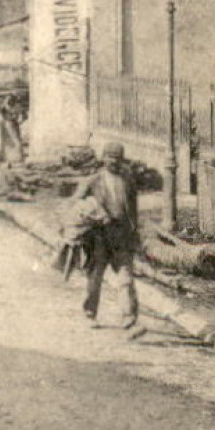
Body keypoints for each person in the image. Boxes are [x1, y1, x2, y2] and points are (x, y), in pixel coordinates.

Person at [76, 142, 145, 340]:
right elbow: (77, 204)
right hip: (98, 238)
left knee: (125, 278)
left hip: (121, 237)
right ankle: (90, 313)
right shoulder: (93, 181)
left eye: (117, 158)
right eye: (110, 157)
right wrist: (92, 215)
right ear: (103, 158)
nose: (114, 162)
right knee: (94, 278)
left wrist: (134, 233)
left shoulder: (128, 182)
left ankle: (129, 318)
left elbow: (132, 212)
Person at [0, 94, 26, 165]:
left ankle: (19, 158)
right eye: (8, 100)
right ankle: (10, 158)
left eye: (11, 100)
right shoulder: (4, 107)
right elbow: (4, 115)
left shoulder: (16, 106)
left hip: (13, 124)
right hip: (7, 124)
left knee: (16, 141)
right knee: (10, 142)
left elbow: (24, 115)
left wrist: (20, 120)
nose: (9, 101)